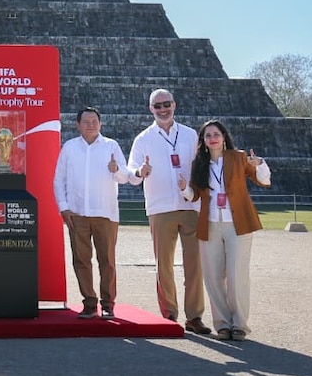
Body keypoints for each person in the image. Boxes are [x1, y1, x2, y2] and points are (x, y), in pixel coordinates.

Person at [127, 88, 212, 335]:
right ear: (150, 109)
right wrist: (140, 172)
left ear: (174, 105)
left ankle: (194, 316)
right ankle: (169, 314)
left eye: (166, 104)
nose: (162, 109)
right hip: (160, 207)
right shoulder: (143, 139)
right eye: (157, 106)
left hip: (190, 206)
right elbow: (132, 174)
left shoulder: (190, 135)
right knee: (163, 264)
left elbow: (203, 167)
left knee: (194, 265)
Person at [186, 119, 270, 342]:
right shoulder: (199, 163)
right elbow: (194, 194)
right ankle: (222, 324)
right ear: (203, 141)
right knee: (213, 277)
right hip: (210, 224)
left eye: (216, 134)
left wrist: (259, 163)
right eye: (207, 135)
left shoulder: (239, 157)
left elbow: (262, 181)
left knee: (236, 276)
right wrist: (184, 189)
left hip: (237, 223)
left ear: (224, 137)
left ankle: (240, 324)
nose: (212, 138)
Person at [53, 107, 130, 320]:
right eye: (85, 121)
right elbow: (59, 179)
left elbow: (125, 177)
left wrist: (116, 170)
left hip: (105, 213)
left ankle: (108, 303)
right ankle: (89, 302)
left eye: (94, 121)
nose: (90, 125)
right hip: (76, 213)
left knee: (107, 261)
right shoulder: (70, 147)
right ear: (77, 125)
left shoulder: (111, 146)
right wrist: (63, 206)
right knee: (81, 260)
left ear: (101, 123)